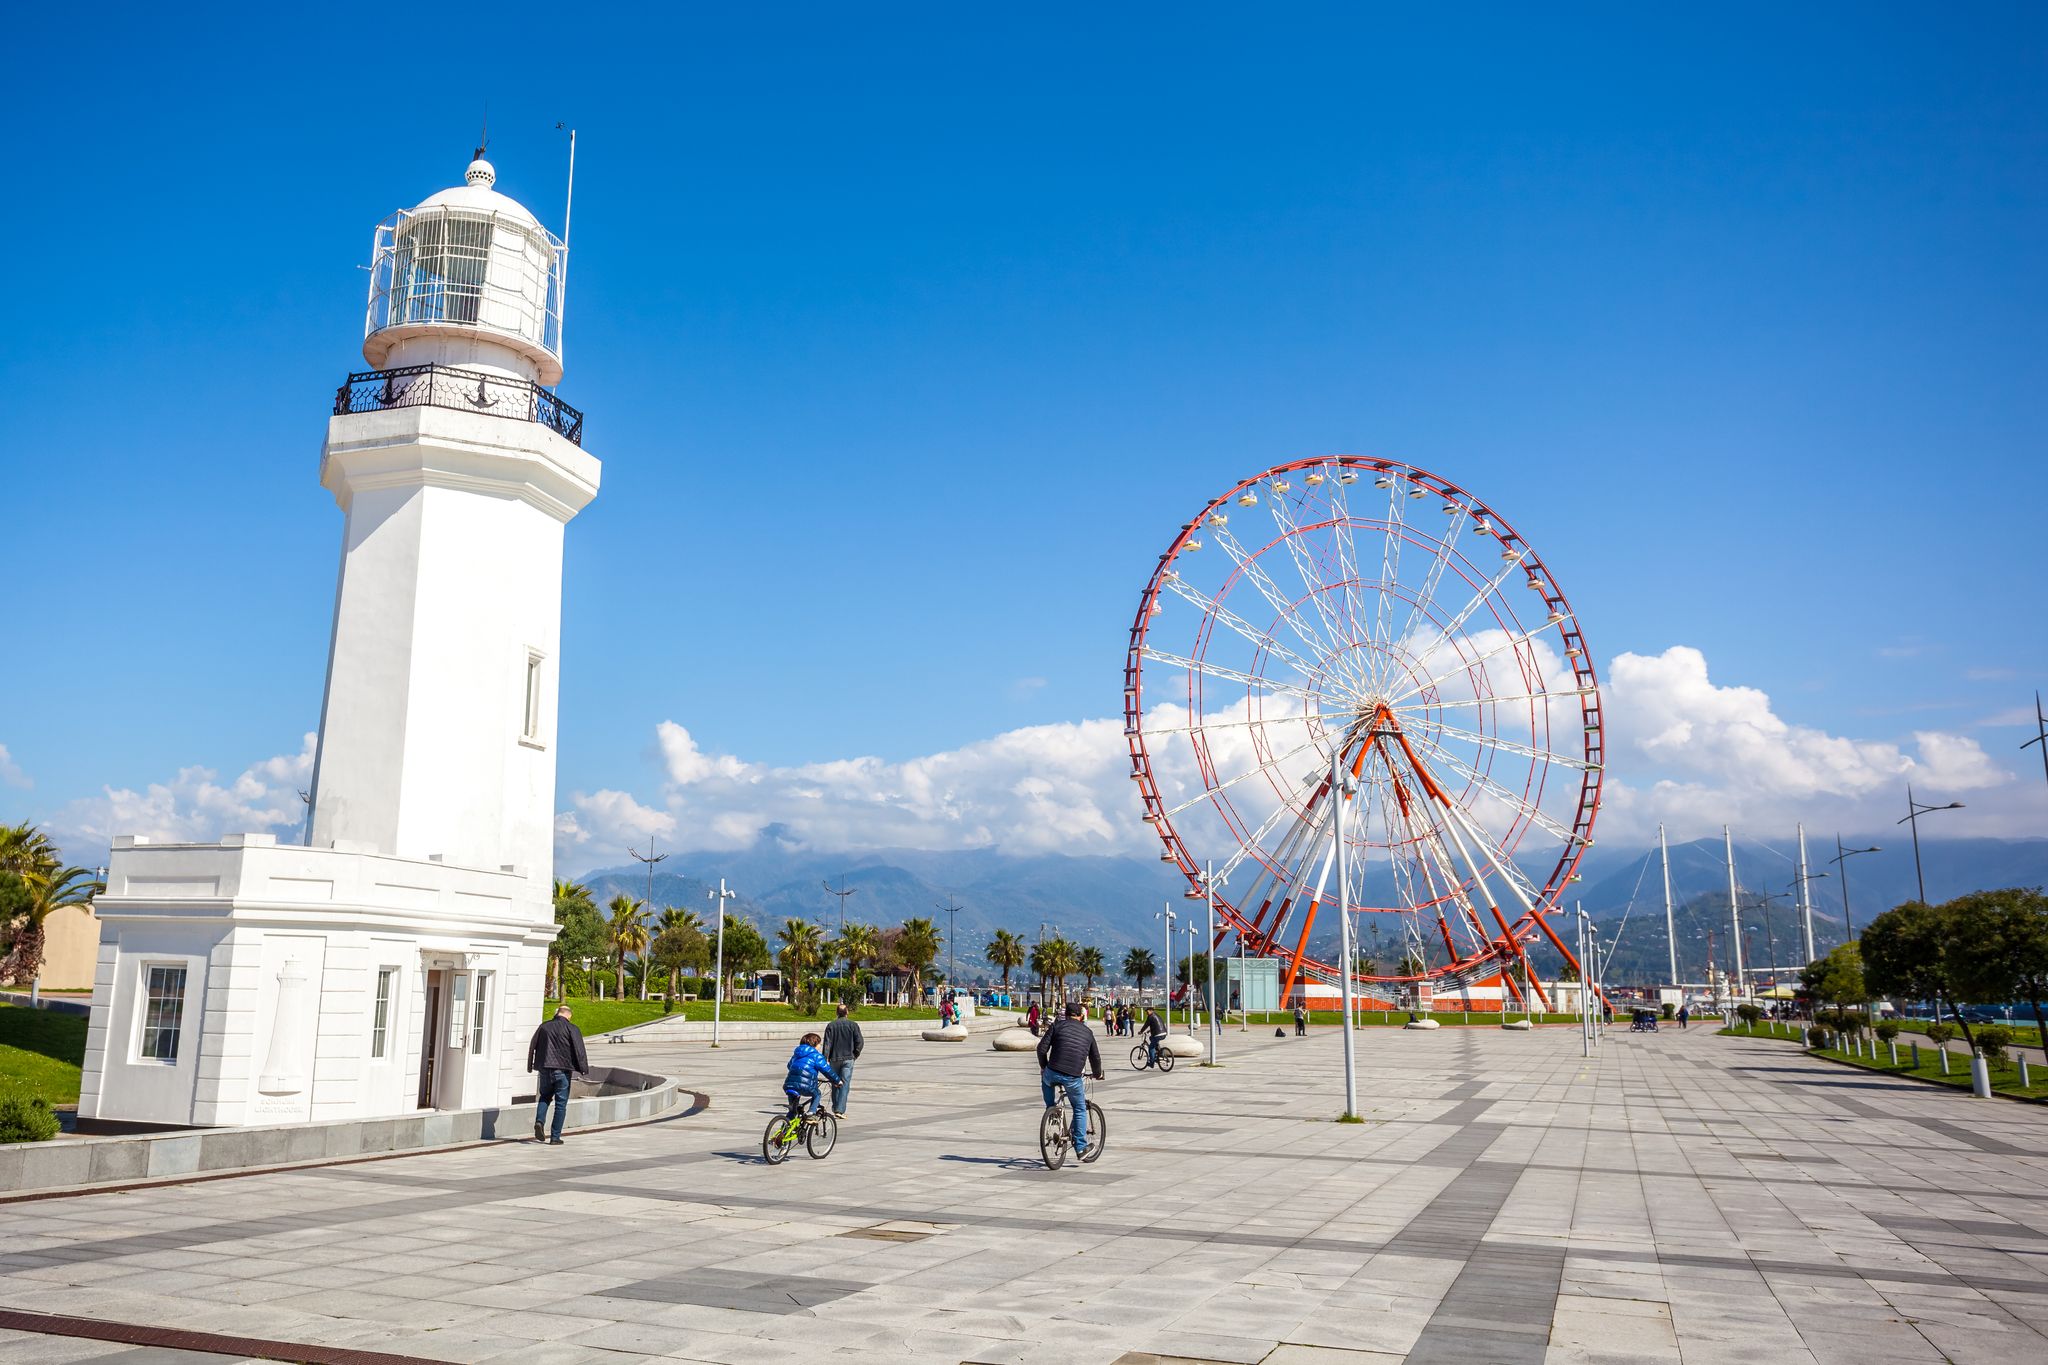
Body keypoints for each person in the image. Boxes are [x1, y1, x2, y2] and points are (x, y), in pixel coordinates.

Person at [1036, 1000, 1105, 1158]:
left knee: (1046, 1082)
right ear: (1081, 1017)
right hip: (1073, 1076)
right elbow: (1095, 1057)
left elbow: (1041, 1048)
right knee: (1080, 1108)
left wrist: (1044, 1066)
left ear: (1066, 1015)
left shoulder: (1057, 1026)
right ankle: (1080, 1148)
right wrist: (1097, 1073)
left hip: (1052, 1071)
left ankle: (1051, 1110)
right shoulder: (1088, 1033)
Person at [527, 1004, 588, 1146]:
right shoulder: (572, 1029)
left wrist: (530, 1066)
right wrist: (583, 1069)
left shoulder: (544, 1027)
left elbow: (532, 1046)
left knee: (545, 1096)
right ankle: (555, 1137)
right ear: (569, 1015)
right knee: (561, 1104)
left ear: (557, 1013)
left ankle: (539, 1121)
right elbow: (579, 1050)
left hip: (545, 1068)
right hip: (563, 1070)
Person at [782, 1031, 840, 1124]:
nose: (820, 1046)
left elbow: (789, 1066)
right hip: (805, 1086)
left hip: (789, 1085)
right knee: (817, 1094)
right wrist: (837, 1081)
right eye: (819, 1044)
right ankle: (811, 1114)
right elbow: (827, 1070)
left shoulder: (796, 1054)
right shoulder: (816, 1056)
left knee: (793, 1110)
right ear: (815, 1044)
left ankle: (783, 1132)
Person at [822, 1003, 864, 1117]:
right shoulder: (853, 1025)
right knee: (845, 1083)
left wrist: (825, 1059)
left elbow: (827, 1044)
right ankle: (840, 1110)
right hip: (848, 1058)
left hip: (834, 1058)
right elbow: (859, 1042)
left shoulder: (831, 1025)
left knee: (835, 1082)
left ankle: (836, 1107)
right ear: (847, 1012)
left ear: (836, 1013)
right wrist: (855, 1054)